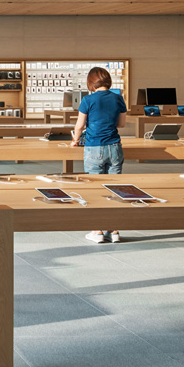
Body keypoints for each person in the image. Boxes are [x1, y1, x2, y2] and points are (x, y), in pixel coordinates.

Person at [72, 67, 127, 244]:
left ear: (91, 82)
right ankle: (115, 230)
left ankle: (97, 231)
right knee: (115, 188)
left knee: (95, 187)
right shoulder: (118, 98)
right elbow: (122, 124)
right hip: (115, 147)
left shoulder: (88, 99)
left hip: (94, 147)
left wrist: (75, 140)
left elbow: (79, 125)